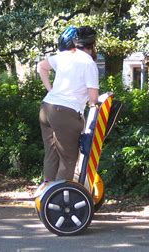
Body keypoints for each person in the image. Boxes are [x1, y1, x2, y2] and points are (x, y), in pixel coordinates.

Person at [37, 25, 99, 182]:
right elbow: (93, 97)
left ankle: (46, 199)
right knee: (68, 159)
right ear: (92, 44)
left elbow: (41, 67)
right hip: (66, 113)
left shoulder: (64, 55)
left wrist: (50, 90)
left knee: (52, 155)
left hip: (46, 108)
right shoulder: (89, 63)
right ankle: (60, 201)